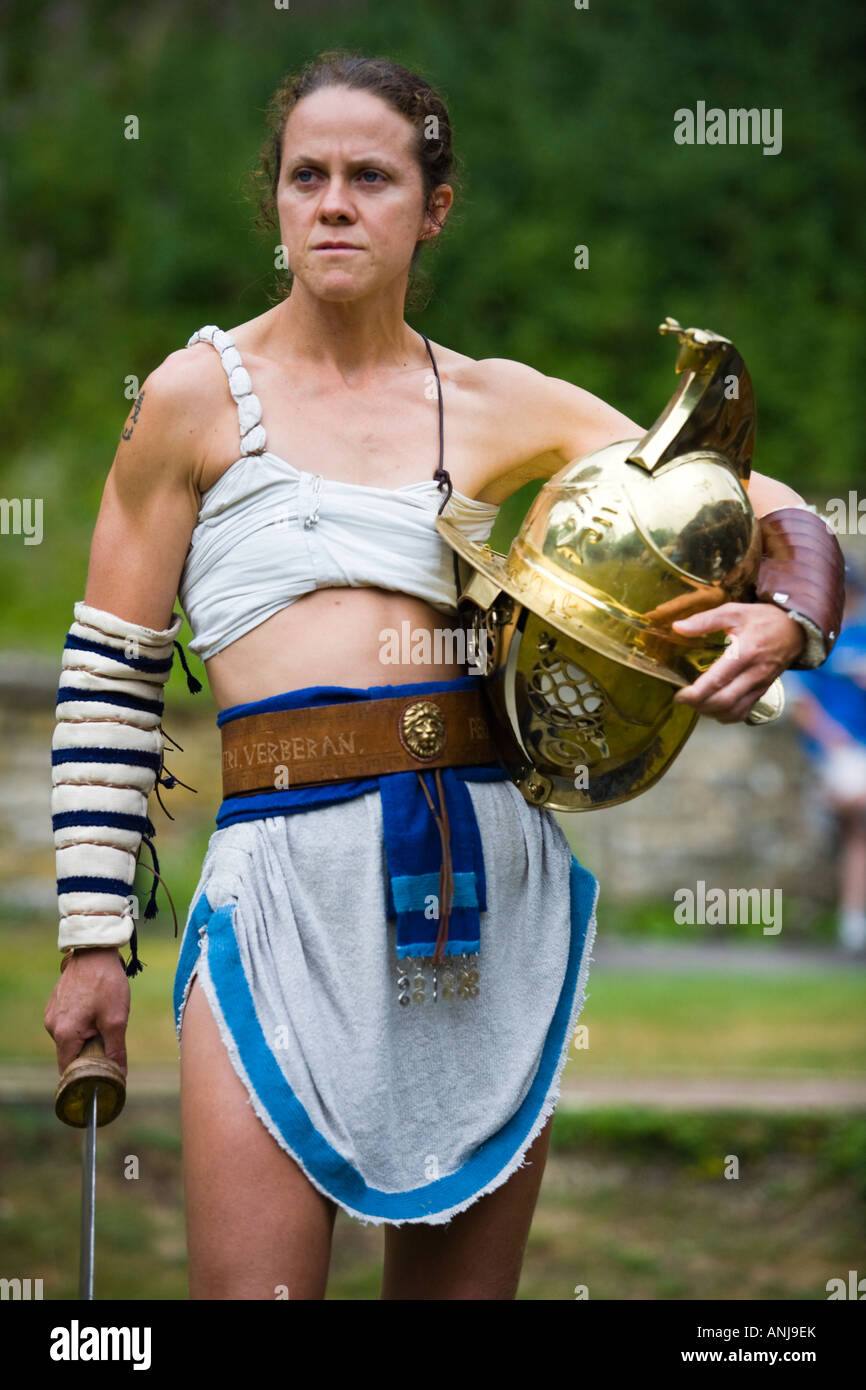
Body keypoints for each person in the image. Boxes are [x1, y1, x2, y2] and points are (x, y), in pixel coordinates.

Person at [44, 51, 832, 1300]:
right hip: (281, 889)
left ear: (434, 206)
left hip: (484, 880)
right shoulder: (194, 403)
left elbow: (745, 493)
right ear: (277, 203)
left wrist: (793, 610)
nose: (334, 204)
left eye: (370, 176)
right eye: (306, 177)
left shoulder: (495, 400)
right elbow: (106, 682)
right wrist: (93, 939)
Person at [785, 563, 866, 950]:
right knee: (859, 819)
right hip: (841, 752)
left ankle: (853, 921)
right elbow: (800, 701)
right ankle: (853, 923)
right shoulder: (816, 639)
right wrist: (832, 739)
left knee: (859, 834)